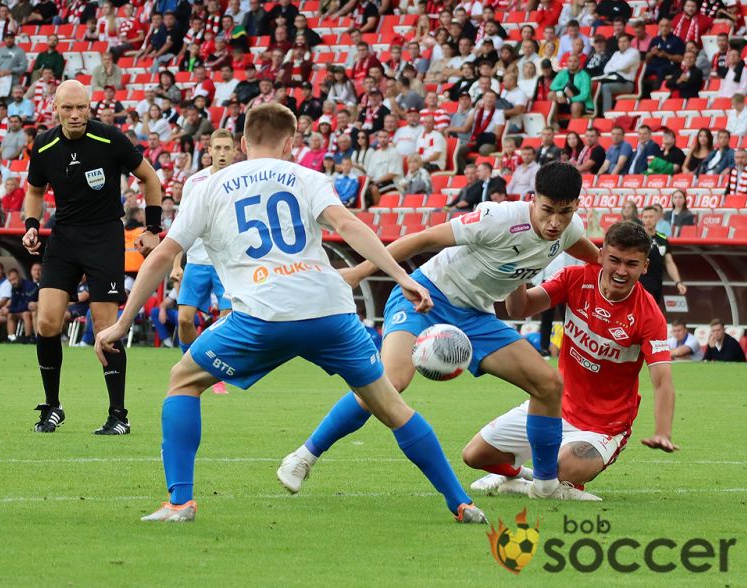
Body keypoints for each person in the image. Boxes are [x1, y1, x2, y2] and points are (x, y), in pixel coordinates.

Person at [94, 102, 487, 525]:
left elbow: (163, 255)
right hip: (331, 313)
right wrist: (399, 276)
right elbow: (349, 225)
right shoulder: (308, 176)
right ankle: (460, 502)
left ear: (242, 143)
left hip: (262, 316)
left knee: (183, 381)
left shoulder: (209, 185)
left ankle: (180, 502)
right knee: (392, 408)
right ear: (291, 142)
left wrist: (121, 321)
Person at [279, 162, 602, 502]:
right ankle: (303, 456)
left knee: (548, 384)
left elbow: (588, 251)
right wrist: (359, 273)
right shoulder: (498, 218)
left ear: (576, 206)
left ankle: (546, 486)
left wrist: (612, 262)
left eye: (564, 213)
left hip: (475, 316)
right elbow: (422, 238)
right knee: (389, 382)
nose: (554, 222)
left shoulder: (569, 229)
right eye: (547, 210)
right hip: (425, 296)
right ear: (532, 199)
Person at [467, 222, 678, 499]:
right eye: (614, 260)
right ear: (601, 255)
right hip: (553, 406)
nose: (621, 271)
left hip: (604, 426)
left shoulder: (649, 314)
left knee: (561, 467)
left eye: (631, 263)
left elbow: (662, 380)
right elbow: (521, 307)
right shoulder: (575, 278)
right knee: (474, 455)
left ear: (645, 266)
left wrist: (662, 431)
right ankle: (524, 478)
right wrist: (517, 272)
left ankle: (550, 481)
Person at [20, 80, 162, 435]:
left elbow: (150, 178)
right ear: (55, 108)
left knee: (105, 329)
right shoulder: (44, 144)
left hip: (104, 237)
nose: (75, 114)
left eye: (81, 107)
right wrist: (32, 224)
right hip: (64, 238)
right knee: (47, 323)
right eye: (68, 108)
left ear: (90, 106)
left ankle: (118, 415)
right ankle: (52, 407)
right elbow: (35, 190)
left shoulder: (109, 138)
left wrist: (152, 228)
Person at [169, 129, 235, 395]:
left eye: (226, 148)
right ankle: (191, 363)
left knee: (227, 320)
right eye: (217, 148)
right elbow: (181, 225)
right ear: (208, 151)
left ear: (235, 150)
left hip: (227, 263)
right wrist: (176, 263)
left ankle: (215, 372)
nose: (221, 153)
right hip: (196, 260)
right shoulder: (194, 182)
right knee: (185, 320)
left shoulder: (242, 179)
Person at [639, 205, 687, 303]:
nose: (648, 220)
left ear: (657, 218)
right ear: (642, 219)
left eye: (651, 217)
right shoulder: (637, 237)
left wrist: (678, 282)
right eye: (645, 217)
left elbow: (669, 262)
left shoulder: (662, 238)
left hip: (657, 283)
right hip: (640, 284)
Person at [4, 267, 37, 343]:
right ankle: (11, 338)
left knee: (25, 314)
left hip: (35, 310)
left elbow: (28, 306)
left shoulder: (30, 286)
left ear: (19, 276)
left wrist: (10, 309)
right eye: (10, 280)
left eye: (14, 279)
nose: (13, 282)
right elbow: (13, 305)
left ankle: (28, 337)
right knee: (10, 314)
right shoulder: (15, 288)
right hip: (23, 310)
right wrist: (9, 310)